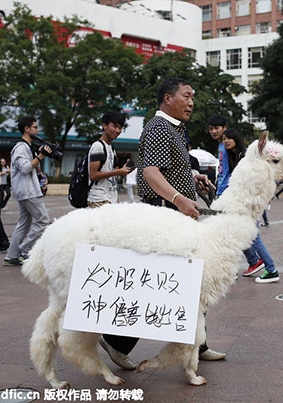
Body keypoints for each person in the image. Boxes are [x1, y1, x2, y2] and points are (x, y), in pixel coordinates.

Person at [98, 78, 225, 372]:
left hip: (175, 213)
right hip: (163, 214)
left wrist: (191, 178)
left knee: (190, 279)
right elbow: (151, 173)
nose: (191, 102)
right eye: (186, 96)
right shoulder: (158, 128)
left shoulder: (177, 129)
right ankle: (117, 341)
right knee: (157, 284)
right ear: (168, 99)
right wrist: (180, 198)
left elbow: (168, 170)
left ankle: (198, 343)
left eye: (193, 96)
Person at [219, 129, 280, 283]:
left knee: (253, 236)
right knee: (243, 235)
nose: (226, 141)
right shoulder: (228, 155)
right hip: (239, 201)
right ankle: (254, 262)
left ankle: (271, 269)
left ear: (236, 139)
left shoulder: (246, 156)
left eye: (229, 138)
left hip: (249, 203)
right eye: (224, 139)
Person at [4, 116, 51, 266]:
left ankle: (12, 256)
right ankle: (25, 250)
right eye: (35, 127)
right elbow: (25, 168)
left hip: (26, 191)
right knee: (43, 220)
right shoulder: (20, 147)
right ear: (27, 128)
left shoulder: (27, 147)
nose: (37, 130)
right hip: (28, 191)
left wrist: (40, 176)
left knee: (23, 223)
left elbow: (30, 168)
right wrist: (41, 156)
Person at [87, 112, 133, 207]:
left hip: (109, 199)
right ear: (104, 125)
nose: (117, 130)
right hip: (98, 200)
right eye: (114, 126)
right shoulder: (98, 147)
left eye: (120, 128)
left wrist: (115, 198)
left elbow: (110, 175)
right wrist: (119, 171)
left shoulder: (111, 148)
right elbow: (93, 175)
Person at [207, 114, 229, 198]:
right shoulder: (220, 146)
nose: (213, 131)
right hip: (220, 190)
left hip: (228, 191)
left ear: (225, 127)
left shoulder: (228, 145)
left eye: (216, 128)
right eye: (211, 129)